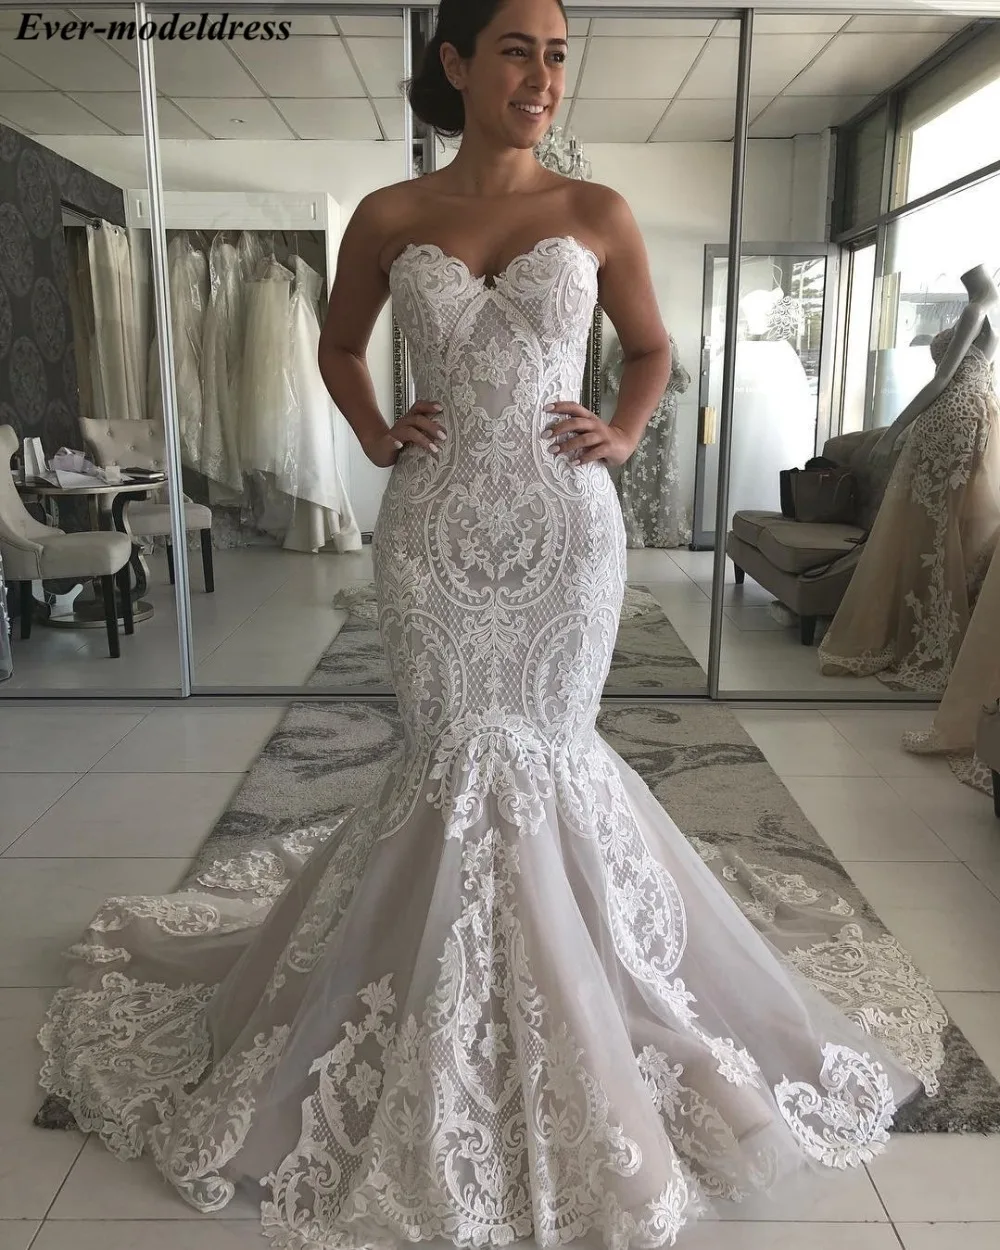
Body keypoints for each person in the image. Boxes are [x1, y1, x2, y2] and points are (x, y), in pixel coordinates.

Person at [35, 2, 932, 1247]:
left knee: (552, 753)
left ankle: (583, 992)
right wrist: (374, 431)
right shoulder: (390, 215)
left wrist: (621, 432)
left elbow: (650, 348)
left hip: (564, 533)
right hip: (435, 530)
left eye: (557, 54)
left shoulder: (597, 210)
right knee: (448, 754)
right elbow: (338, 346)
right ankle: (426, 999)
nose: (542, 75)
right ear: (455, 63)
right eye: (517, 48)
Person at [819, 264, 1000, 691]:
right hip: (966, 420)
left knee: (936, 528)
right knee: (936, 528)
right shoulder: (980, 309)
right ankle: (927, 630)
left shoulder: (977, 309)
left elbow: (943, 379)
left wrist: (896, 429)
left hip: (952, 422)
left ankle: (935, 636)